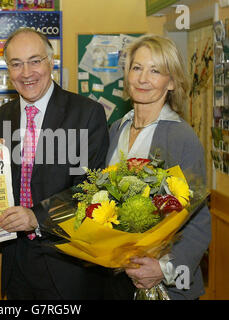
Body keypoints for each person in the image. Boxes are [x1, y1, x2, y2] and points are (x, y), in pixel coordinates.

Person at [0, 27, 109, 300]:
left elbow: (91, 191)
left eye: (35, 60)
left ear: (51, 62)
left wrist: (36, 218)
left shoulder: (87, 113)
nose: (26, 73)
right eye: (16, 64)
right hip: (17, 263)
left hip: (67, 265)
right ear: (8, 69)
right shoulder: (2, 117)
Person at [104, 34, 211, 299]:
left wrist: (163, 268)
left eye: (155, 71)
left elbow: (197, 221)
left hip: (165, 288)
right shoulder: (116, 129)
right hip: (117, 280)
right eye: (137, 68)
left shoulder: (182, 138)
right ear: (126, 74)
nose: (142, 79)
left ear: (171, 81)